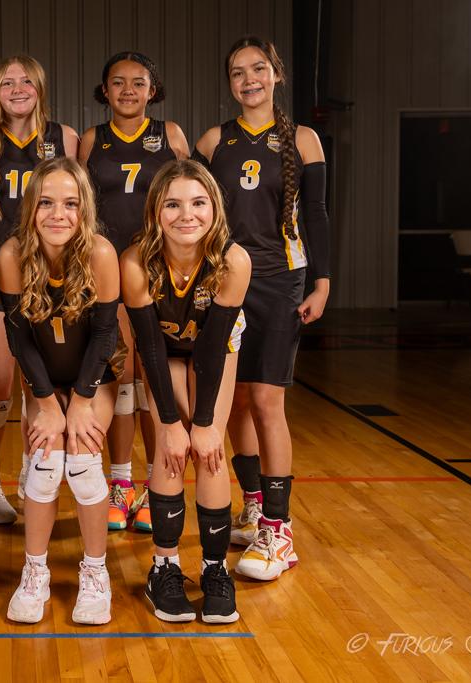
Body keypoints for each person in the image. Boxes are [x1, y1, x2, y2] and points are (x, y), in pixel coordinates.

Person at [194, 36, 330, 580]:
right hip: (227, 279)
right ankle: (252, 506)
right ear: (230, 82)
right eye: (237, 72)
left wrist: (322, 283)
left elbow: (316, 214)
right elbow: (195, 212)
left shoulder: (303, 139)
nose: (248, 79)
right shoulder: (213, 141)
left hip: (280, 280)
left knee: (268, 401)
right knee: (235, 401)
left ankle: (279, 529)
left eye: (257, 69)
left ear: (276, 74)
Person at [123, 159, 251, 624]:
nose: (186, 215)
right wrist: (171, 424)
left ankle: (216, 569)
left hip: (213, 350)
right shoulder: (136, 261)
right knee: (171, 444)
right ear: (155, 211)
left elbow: (212, 350)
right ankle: (164, 567)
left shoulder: (233, 261)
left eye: (198, 203)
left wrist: (205, 424)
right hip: (164, 350)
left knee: (209, 446)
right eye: (173, 204)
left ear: (214, 208)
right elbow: (151, 349)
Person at [0, 55, 79, 525]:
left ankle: (33, 469)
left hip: (46, 273)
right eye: (7, 82)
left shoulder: (64, 138)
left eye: (27, 80)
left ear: (41, 88)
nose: (18, 88)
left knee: (39, 386)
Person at [0, 157, 121, 626]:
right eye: (46, 202)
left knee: (85, 462)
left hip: (95, 375)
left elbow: (105, 336)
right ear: (31, 207)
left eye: (70, 204)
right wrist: (47, 405)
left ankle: (95, 572)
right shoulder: (12, 254)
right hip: (43, 378)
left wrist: (83, 402)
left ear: (84, 209)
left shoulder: (100, 253)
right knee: (47, 462)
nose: (58, 214)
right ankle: (35, 572)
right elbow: (20, 340)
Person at [80, 51, 190, 533]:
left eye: (138, 82)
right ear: (104, 90)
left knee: (153, 379)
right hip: (108, 271)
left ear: (153, 89)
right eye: (118, 82)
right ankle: (121, 482)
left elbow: (191, 195)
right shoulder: (92, 140)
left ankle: (153, 482)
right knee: (120, 377)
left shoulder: (171, 135)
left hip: (157, 271)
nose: (128, 90)